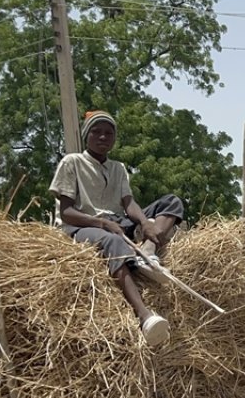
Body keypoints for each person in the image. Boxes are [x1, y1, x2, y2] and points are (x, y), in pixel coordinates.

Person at [49, 110, 184, 347]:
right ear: (86, 135)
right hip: (81, 225)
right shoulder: (72, 162)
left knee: (171, 202)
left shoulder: (118, 168)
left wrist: (145, 223)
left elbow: (128, 203)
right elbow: (66, 212)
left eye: (108, 133)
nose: (103, 137)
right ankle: (144, 316)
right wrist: (102, 223)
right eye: (97, 132)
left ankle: (148, 253)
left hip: (116, 220)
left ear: (114, 138)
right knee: (114, 241)